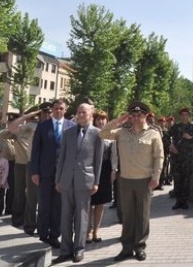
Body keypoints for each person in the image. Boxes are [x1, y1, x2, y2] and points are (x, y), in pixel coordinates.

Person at [100, 102, 164, 262]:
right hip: (126, 180)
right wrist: (119, 119)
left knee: (142, 216)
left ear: (145, 116)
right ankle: (127, 248)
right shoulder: (121, 132)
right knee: (127, 216)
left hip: (144, 181)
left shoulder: (153, 134)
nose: (136, 118)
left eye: (139, 115)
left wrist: (156, 177)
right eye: (133, 115)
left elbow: (159, 157)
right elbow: (103, 133)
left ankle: (140, 247)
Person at [53, 103, 103, 264]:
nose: (80, 114)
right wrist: (58, 179)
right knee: (65, 217)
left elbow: (98, 161)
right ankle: (65, 250)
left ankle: (79, 249)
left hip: (85, 181)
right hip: (67, 180)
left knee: (82, 217)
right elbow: (61, 158)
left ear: (91, 114)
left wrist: (96, 182)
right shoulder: (67, 133)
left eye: (84, 112)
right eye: (79, 112)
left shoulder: (97, 134)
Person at [30, 99, 75, 248]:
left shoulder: (71, 126)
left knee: (58, 206)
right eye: (56, 108)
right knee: (44, 205)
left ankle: (55, 235)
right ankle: (43, 235)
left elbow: (73, 152)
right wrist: (34, 171)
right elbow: (36, 150)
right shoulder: (43, 126)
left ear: (65, 110)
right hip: (45, 172)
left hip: (62, 174)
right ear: (52, 110)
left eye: (61, 108)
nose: (58, 111)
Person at [7, 103, 51, 235]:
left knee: (47, 198)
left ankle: (44, 225)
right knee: (32, 198)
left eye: (50, 112)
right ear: (40, 113)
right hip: (33, 164)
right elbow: (11, 128)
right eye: (44, 112)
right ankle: (30, 226)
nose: (48, 114)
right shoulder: (32, 126)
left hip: (49, 165)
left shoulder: (56, 126)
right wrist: (29, 115)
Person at [169, 107, 193, 210]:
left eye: (186, 115)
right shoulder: (176, 127)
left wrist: (191, 137)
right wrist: (171, 146)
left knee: (186, 180)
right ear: (180, 116)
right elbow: (166, 136)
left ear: (188, 116)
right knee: (177, 180)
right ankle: (178, 201)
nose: (184, 117)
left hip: (187, 158)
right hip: (176, 157)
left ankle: (184, 201)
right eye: (182, 115)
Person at [88, 111, 113, 243]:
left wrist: (114, 170)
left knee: (100, 203)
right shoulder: (90, 134)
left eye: (103, 119)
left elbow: (114, 154)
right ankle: (87, 230)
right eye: (98, 119)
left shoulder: (111, 135)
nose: (101, 121)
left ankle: (96, 231)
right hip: (91, 169)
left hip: (105, 170)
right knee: (89, 203)